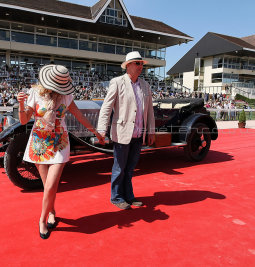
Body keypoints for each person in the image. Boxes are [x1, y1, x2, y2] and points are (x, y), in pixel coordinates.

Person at [16, 65, 105, 240]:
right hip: (39, 143)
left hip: (60, 143)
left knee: (50, 186)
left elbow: (79, 116)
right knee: (48, 187)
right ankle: (52, 212)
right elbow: (23, 120)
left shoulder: (66, 96)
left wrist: (95, 132)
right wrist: (20, 103)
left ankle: (42, 220)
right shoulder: (34, 94)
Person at [97, 51, 156, 210]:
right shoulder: (117, 82)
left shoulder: (145, 85)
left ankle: (128, 196)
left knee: (130, 169)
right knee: (119, 167)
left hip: (138, 134)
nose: (141, 66)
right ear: (128, 65)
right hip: (122, 133)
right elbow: (106, 107)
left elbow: (149, 110)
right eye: (137, 63)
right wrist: (101, 129)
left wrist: (151, 131)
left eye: (142, 63)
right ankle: (116, 197)